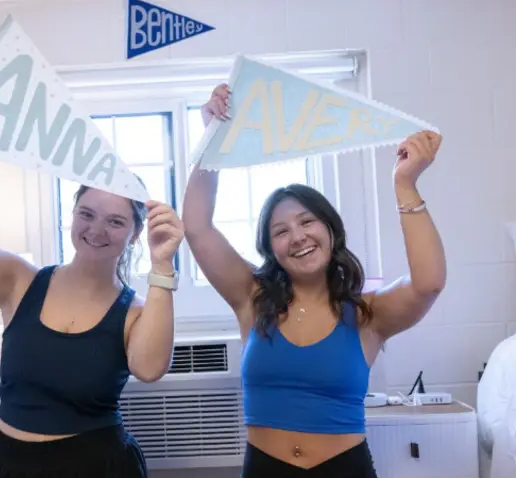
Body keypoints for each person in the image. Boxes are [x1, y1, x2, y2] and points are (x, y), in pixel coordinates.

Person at [0, 60, 185, 478]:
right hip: (11, 466)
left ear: (135, 234)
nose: (96, 230)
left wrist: (163, 262)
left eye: (115, 222)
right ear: (71, 214)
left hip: (100, 467)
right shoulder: (18, 282)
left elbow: (149, 369)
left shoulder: (135, 313)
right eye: (87, 214)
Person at [182, 84, 446, 478]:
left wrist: (405, 184)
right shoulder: (252, 298)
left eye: (307, 221)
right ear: (271, 248)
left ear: (330, 230)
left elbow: (428, 283)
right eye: (281, 231)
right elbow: (197, 227)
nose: (298, 236)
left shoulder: (367, 313)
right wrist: (213, 138)